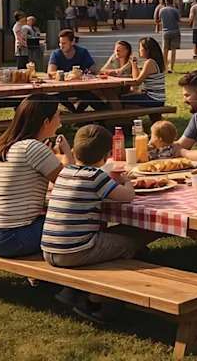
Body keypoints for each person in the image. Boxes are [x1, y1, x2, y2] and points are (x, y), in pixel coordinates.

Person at [41, 124, 143, 322]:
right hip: (75, 251)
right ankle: (95, 299)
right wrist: (126, 181)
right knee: (130, 245)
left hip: (49, 249)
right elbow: (128, 196)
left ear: (74, 152)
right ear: (106, 156)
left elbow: (73, 169)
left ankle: (72, 290)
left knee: (109, 241)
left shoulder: (65, 173)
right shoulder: (96, 177)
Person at [0, 96, 71, 258]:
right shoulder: (33, 147)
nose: (60, 121)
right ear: (46, 122)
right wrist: (67, 154)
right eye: (58, 116)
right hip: (11, 236)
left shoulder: (2, 146)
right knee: (78, 223)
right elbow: (69, 183)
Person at [120, 37, 166, 107]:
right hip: (156, 98)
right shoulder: (154, 61)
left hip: (153, 99)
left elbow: (137, 82)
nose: (139, 50)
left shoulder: (150, 62)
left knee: (120, 100)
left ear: (147, 49)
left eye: (140, 47)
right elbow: (136, 78)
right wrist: (134, 65)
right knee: (123, 96)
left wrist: (124, 82)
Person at [159, 0, 181, 73]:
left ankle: (165, 67)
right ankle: (172, 67)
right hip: (175, 31)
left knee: (165, 50)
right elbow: (179, 19)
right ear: (173, 1)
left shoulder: (162, 10)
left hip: (165, 31)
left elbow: (159, 19)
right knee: (173, 50)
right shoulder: (175, 10)